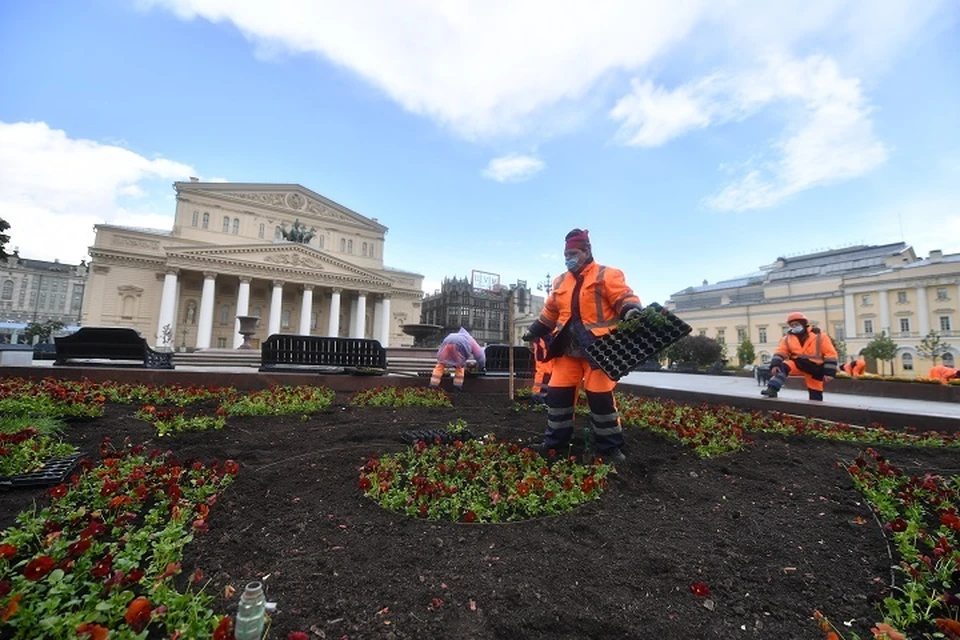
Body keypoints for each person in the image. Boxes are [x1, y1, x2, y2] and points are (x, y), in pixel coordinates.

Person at [522, 228, 642, 463]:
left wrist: (631, 311)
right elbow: (550, 312)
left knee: (600, 398)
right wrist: (534, 330)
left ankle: (610, 448)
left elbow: (623, 296)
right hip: (567, 349)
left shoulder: (607, 274)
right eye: (566, 255)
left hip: (600, 349)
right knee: (558, 395)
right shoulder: (559, 281)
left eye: (573, 253)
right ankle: (555, 444)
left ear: (587, 251)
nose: (569, 259)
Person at [761, 312, 839, 401]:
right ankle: (772, 388)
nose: (794, 327)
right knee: (783, 367)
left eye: (796, 324)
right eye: (792, 325)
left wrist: (829, 373)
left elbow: (830, 354)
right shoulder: (787, 338)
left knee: (816, 393)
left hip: (815, 368)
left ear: (803, 324)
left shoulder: (820, 336)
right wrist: (775, 364)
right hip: (798, 364)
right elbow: (781, 351)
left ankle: (816, 411)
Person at [428, 327, 486, 392]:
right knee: (459, 368)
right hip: (459, 347)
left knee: (440, 365)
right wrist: (482, 366)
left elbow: (442, 348)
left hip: (448, 341)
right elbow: (480, 355)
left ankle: (432, 386)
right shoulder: (470, 339)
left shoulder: (454, 335)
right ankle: (457, 388)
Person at [530, 336, 554, 404]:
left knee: (548, 372)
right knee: (544, 372)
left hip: (547, 344)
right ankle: (538, 395)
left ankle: (543, 395)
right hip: (544, 343)